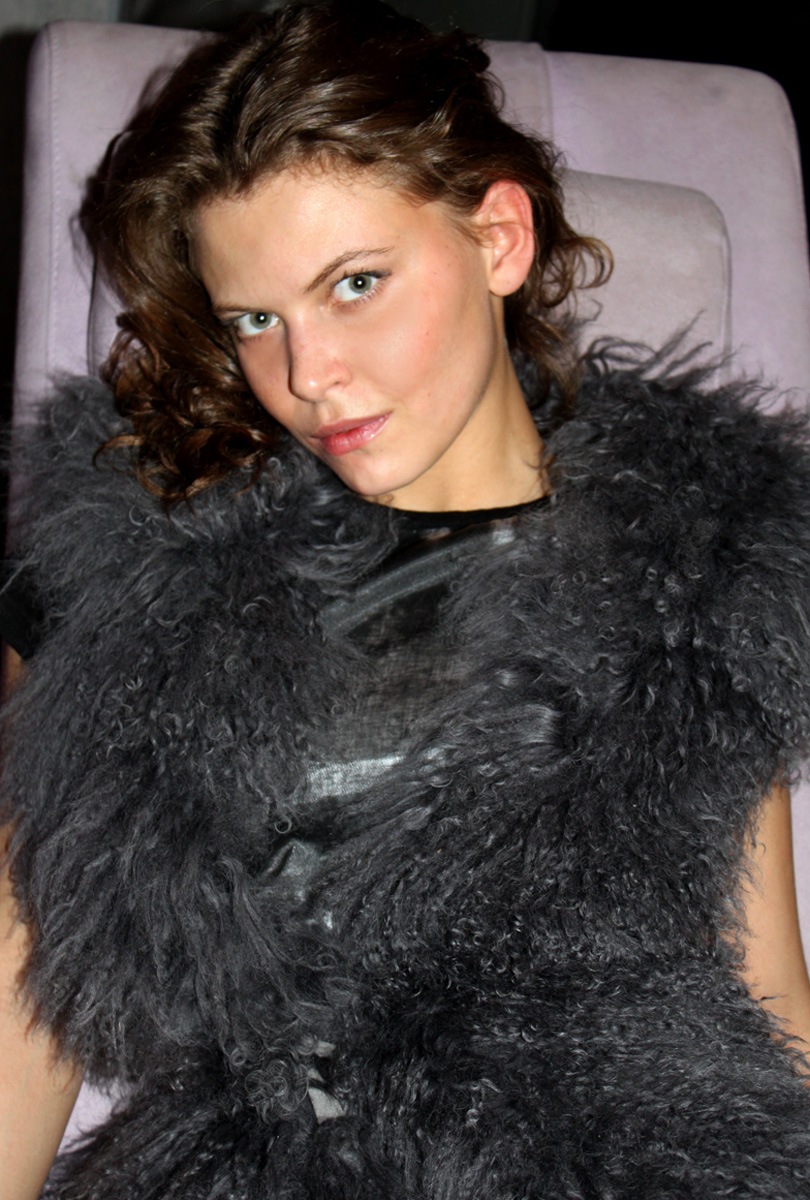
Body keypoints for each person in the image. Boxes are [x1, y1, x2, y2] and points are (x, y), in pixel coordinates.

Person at [1, 2, 810, 1196]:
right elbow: (25, 967)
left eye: (357, 284)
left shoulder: (700, 556)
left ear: (500, 238)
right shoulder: (149, 585)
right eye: (256, 320)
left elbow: (764, 983)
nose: (308, 375)